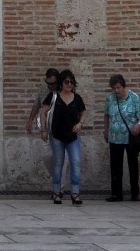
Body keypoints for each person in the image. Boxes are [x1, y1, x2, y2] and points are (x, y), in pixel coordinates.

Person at [41, 68, 86, 205]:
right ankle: (56, 192)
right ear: (61, 83)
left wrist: (80, 124)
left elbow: (83, 112)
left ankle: (75, 193)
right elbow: (43, 112)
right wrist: (43, 130)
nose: (69, 84)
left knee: (75, 162)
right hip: (57, 135)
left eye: (71, 82)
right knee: (58, 163)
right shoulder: (53, 96)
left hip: (73, 136)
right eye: (66, 82)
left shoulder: (77, 98)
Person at [103, 73, 140, 202]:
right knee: (115, 166)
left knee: (133, 165)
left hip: (130, 137)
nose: (116, 90)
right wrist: (105, 130)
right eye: (114, 88)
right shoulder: (110, 98)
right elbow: (106, 115)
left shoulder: (133, 98)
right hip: (114, 137)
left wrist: (138, 125)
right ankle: (116, 194)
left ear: (123, 86)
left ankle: (135, 193)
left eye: (118, 88)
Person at [26, 68, 60, 134]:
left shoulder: (64, 90)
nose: (50, 86)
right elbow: (37, 104)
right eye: (48, 83)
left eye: (53, 83)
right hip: (45, 127)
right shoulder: (44, 87)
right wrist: (30, 120)